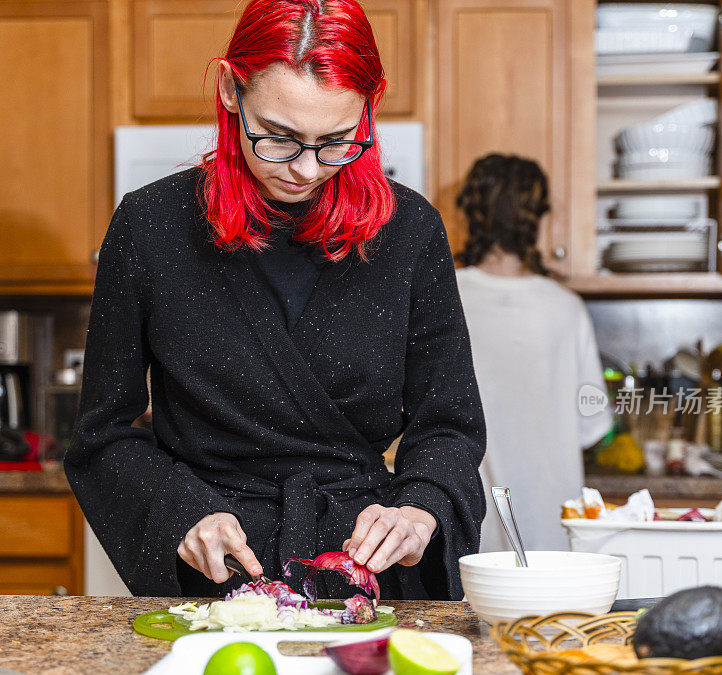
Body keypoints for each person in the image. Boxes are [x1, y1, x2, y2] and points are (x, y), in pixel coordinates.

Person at [64, 0, 485, 600]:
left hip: (369, 570)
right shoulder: (149, 226)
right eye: (279, 138)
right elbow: (103, 432)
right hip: (219, 568)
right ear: (232, 90)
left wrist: (421, 508)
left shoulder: (410, 229)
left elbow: (449, 426)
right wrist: (181, 511)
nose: (308, 169)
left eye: (338, 140)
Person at [455, 154, 611, 553]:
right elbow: (592, 423)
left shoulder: (447, 294)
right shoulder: (565, 307)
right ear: (536, 218)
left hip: (470, 530)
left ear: (470, 211)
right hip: (552, 533)